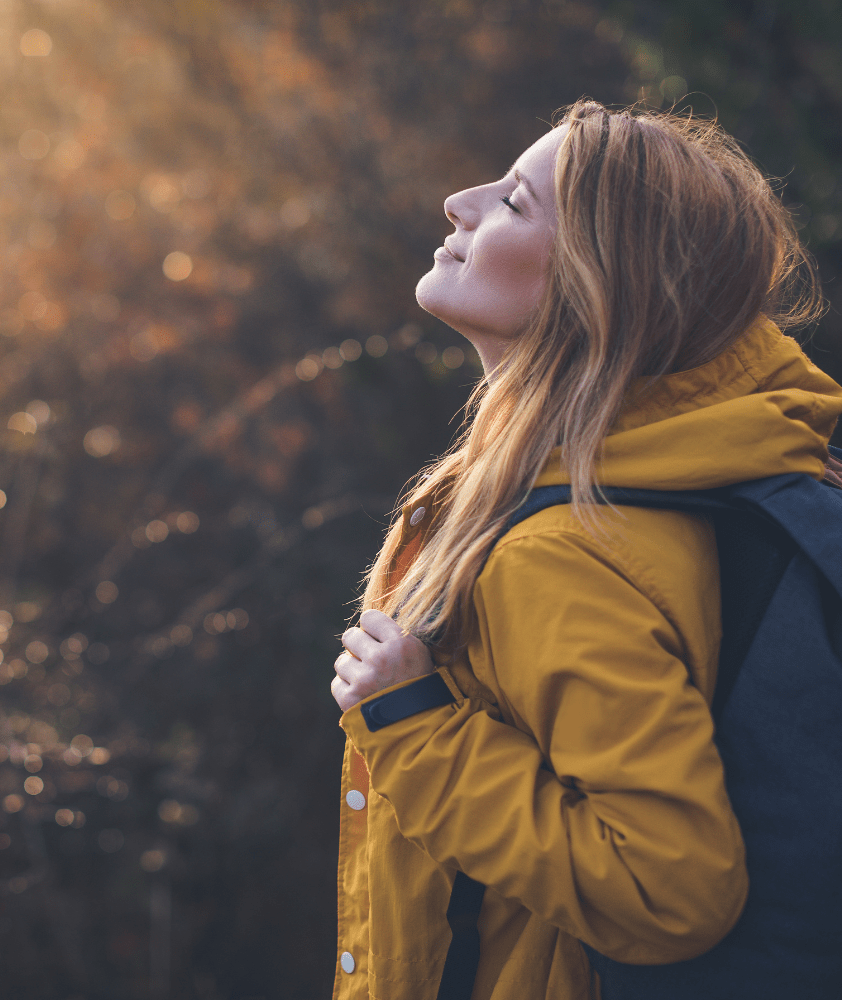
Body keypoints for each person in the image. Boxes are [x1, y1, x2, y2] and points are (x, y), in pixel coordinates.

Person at [329, 99, 842, 1000]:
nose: (460, 200)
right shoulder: (712, 468)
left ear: (596, 286)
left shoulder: (560, 553)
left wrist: (418, 731)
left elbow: (671, 889)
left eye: (517, 203)